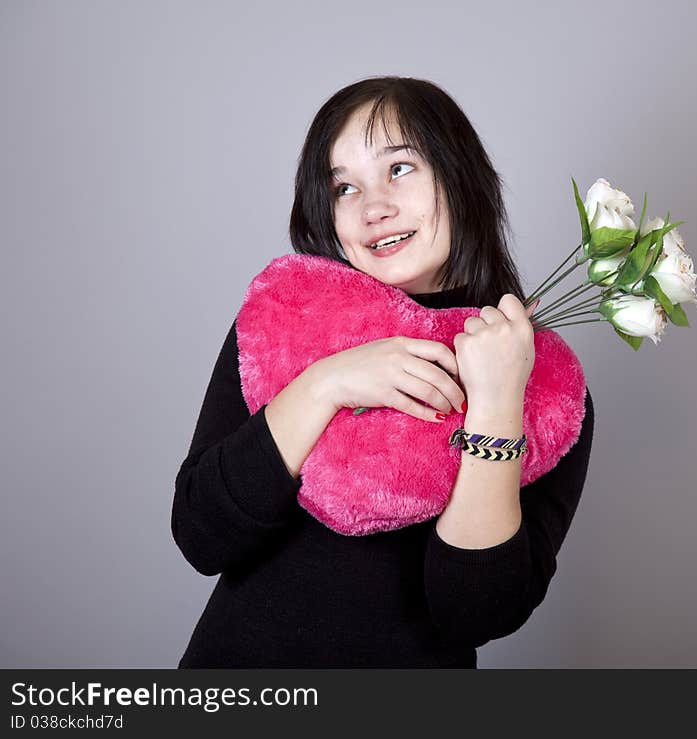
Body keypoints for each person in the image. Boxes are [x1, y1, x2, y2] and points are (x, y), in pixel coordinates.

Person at [172, 76, 594, 668]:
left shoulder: (543, 379)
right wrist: (328, 382)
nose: (373, 208)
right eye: (344, 187)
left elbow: (477, 613)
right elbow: (201, 533)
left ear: (459, 174)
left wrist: (497, 405)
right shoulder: (286, 317)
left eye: (399, 169)